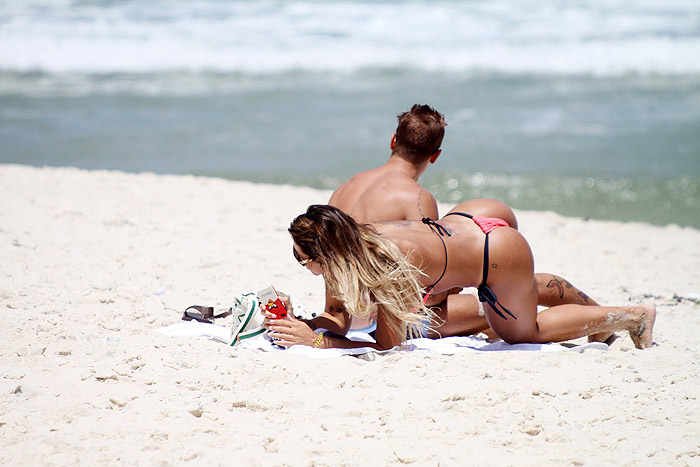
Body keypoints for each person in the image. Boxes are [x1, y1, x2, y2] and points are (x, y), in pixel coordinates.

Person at [319, 104, 605, 339]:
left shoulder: (344, 188)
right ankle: (599, 315)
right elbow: (430, 286)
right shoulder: (417, 197)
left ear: (393, 141)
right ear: (435, 156)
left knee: (503, 283)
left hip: (350, 309)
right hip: (385, 313)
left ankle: (596, 316)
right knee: (499, 294)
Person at [264, 203, 655, 351]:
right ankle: (593, 318)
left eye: (303, 260)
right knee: (511, 291)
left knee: (521, 332)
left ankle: (632, 316)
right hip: (472, 216)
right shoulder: (360, 234)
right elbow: (343, 314)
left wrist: (317, 341)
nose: (304, 267)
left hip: (495, 253)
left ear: (326, 253)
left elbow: (387, 343)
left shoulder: (380, 262)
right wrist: (310, 322)